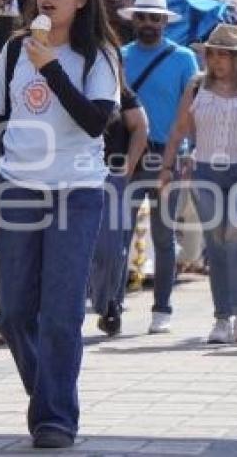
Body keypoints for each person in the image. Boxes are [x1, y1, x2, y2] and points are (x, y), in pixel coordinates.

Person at [0, 0, 122, 449]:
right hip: (18, 187)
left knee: (60, 312)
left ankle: (56, 416)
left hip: (77, 191)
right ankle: (49, 397)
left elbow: (96, 122)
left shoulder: (97, 56)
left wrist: (53, 68)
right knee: (14, 311)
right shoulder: (15, 50)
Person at [158, 24, 237, 343]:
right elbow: (179, 129)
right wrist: (167, 168)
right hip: (205, 170)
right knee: (216, 240)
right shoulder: (197, 86)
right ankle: (221, 319)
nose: (216, 60)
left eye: (223, 54)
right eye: (211, 53)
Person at [117, 0, 200, 334]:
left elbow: (193, 110)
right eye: (142, 17)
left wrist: (191, 152)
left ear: (166, 21)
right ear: (133, 20)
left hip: (169, 156)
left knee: (164, 236)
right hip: (127, 155)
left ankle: (162, 307)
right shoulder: (119, 56)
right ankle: (112, 303)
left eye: (155, 18)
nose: (149, 23)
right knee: (117, 233)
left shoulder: (184, 60)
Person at [89, 83, 148, 336]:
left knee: (111, 248)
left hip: (110, 176)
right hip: (67, 176)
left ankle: (108, 303)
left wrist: (129, 165)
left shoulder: (119, 90)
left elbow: (140, 126)